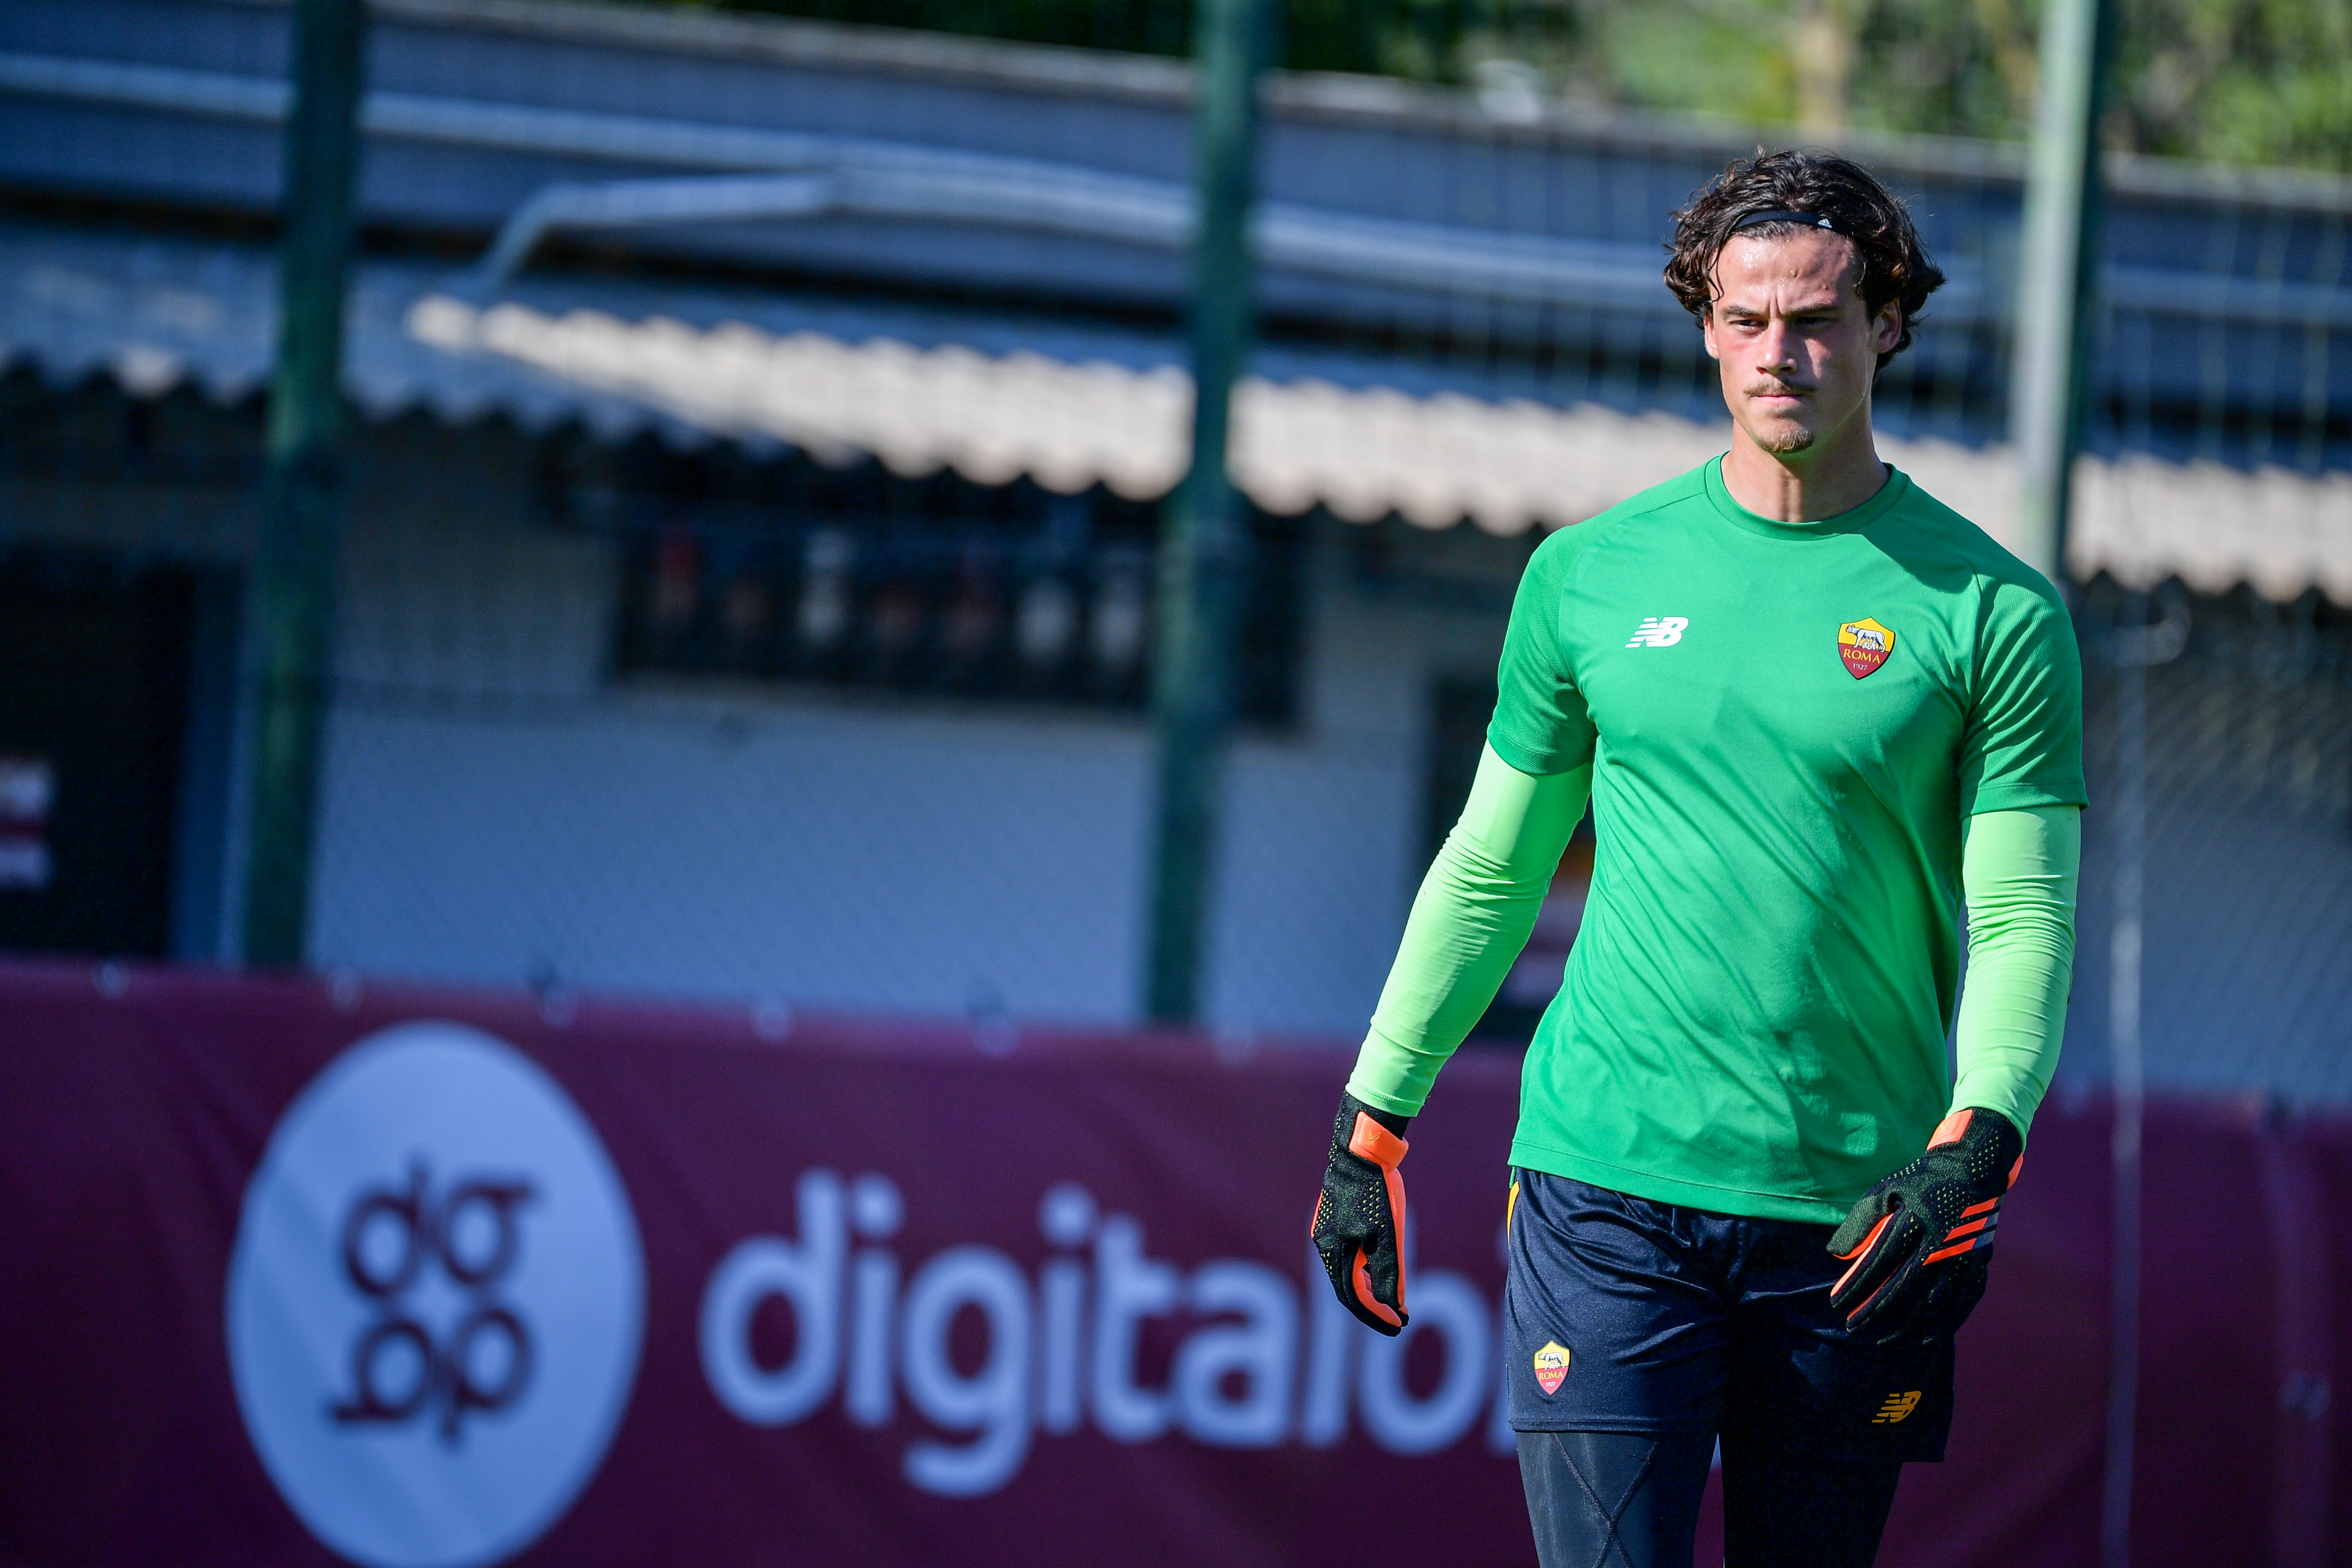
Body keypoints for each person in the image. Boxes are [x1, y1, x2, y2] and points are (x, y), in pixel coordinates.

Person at [1310, 149, 2084, 1567]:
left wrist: (1979, 1141)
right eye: (1745, 320)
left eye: (1817, 319)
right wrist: (1376, 1119)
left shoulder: (1997, 615)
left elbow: (2024, 914)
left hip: (1862, 1215)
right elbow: (1491, 868)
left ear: (1889, 323)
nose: (1777, 354)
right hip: (1609, 1195)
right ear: (1704, 324)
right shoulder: (1588, 578)